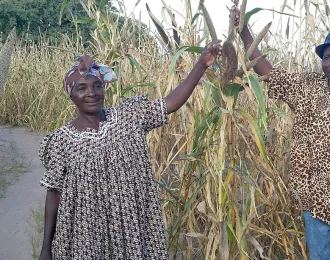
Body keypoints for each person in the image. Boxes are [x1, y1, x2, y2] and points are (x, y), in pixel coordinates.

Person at [37, 42, 222, 260]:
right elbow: (54, 193)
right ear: (71, 94)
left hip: (131, 229)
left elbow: (170, 103)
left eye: (97, 86)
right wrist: (45, 248)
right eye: (81, 88)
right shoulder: (60, 141)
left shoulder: (129, 117)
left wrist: (201, 64)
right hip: (85, 235)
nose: (92, 93)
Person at [233, 7, 330, 260]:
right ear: (322, 60)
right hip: (313, 199)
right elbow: (269, 72)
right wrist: (245, 33)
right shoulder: (308, 87)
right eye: (328, 57)